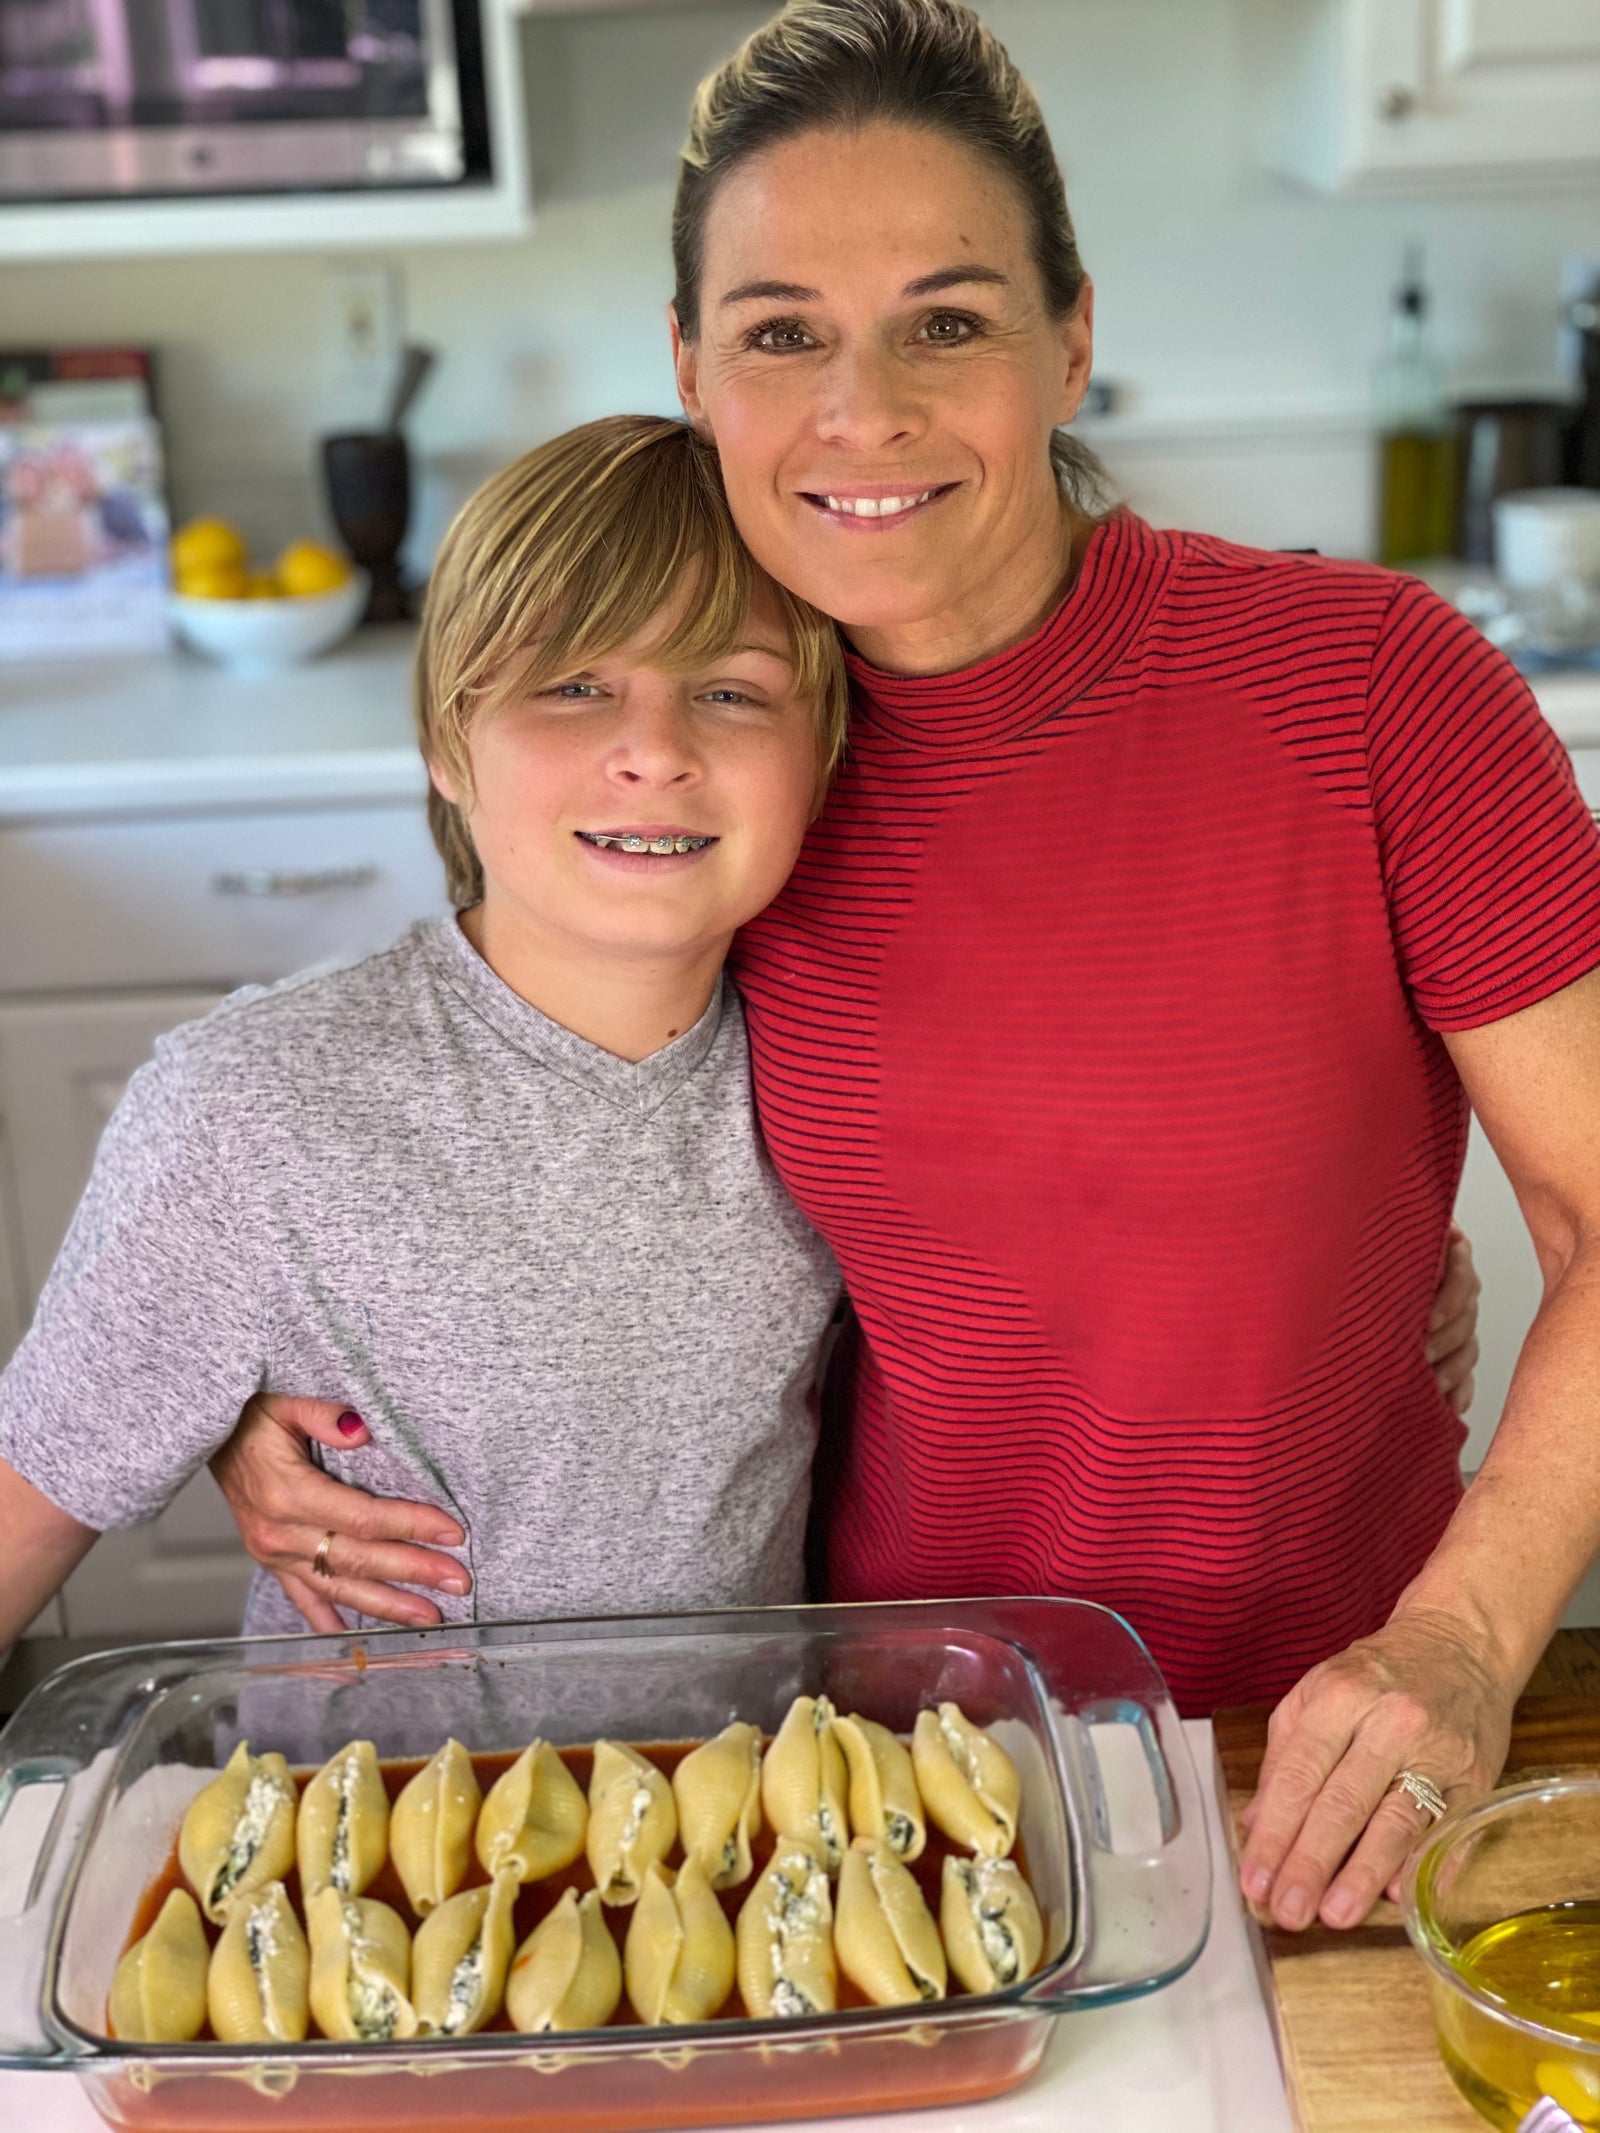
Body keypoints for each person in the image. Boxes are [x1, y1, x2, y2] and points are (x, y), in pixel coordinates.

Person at [212, 0, 1598, 1943]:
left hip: (1332, 1738)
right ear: (691, 367)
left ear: (1069, 341)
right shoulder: (709, 775)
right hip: (879, 1767)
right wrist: (265, 1373)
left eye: (944, 318)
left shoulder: (1369, 685)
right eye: (780, 331)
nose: (859, 408)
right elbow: (474, 1134)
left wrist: (1458, 1638)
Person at [0, 415, 846, 1649]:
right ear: (449, 743)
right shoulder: (253, 1109)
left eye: (729, 690)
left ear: (821, 750)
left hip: (738, 1810)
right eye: (574, 686)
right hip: (374, 1817)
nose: (654, 751)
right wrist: (215, 1413)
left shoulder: (855, 1069)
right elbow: (28, 1508)